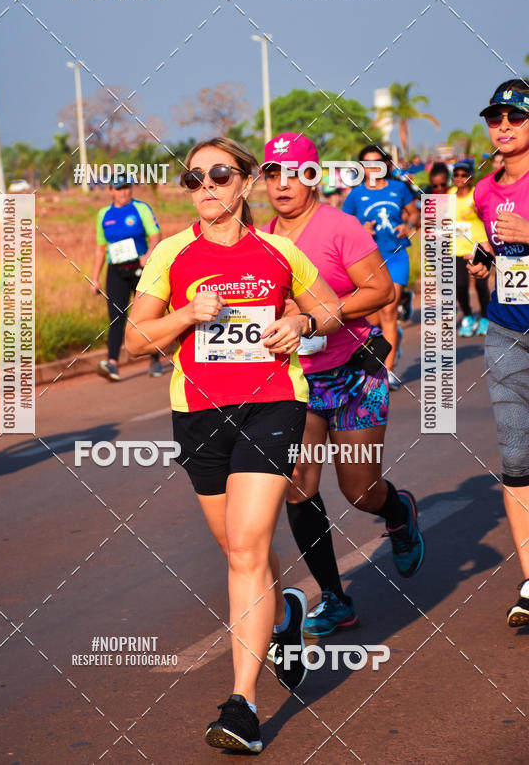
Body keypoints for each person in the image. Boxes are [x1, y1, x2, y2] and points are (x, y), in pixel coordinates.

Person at [126, 137, 342, 753]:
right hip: (198, 412)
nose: (206, 188)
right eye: (194, 179)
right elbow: (137, 341)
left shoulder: (278, 251)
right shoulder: (172, 252)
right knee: (235, 548)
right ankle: (285, 618)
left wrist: (300, 322)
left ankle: (243, 705)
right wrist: (189, 314)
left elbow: (327, 306)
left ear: (245, 183)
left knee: (247, 547)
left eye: (219, 175)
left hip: (272, 402)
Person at [261, 132, 425, 639]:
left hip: (355, 370)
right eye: (272, 173)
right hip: (300, 380)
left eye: (294, 172)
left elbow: (383, 289)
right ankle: (335, 597)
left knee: (359, 491)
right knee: (297, 487)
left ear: (313, 176)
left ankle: (396, 511)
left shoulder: (340, 227)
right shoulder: (261, 239)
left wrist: (317, 312)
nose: (283, 183)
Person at [468, 80, 529, 627]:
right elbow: (495, 244)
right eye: (496, 119)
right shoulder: (484, 191)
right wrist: (485, 260)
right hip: (506, 330)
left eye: (515, 117)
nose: (504, 126)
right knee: (515, 458)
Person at [343, 145, 419, 390]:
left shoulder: (399, 189)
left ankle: (387, 372)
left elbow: (413, 214)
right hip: (368, 261)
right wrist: (359, 230)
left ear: (386, 165)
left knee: (389, 312)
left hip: (396, 257)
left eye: (377, 162)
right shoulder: (355, 195)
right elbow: (344, 226)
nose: (372, 168)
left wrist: (408, 226)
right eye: (367, 163)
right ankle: (381, 357)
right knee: (372, 319)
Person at [91, 175, 162, 380]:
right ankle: (112, 363)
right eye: (119, 188)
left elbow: (155, 234)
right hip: (116, 270)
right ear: (111, 190)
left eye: (127, 188)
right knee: (116, 317)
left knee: (147, 316)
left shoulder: (140, 208)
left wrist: (148, 255)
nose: (124, 192)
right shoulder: (104, 214)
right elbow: (100, 247)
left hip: (140, 270)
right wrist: (94, 278)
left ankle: (155, 360)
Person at [449, 161, 490, 337]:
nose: (459, 178)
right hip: (457, 247)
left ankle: (484, 317)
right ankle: (467, 316)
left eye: (463, 175)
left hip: (479, 245)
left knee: (481, 285)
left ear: (471, 177)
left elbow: (489, 216)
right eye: (456, 174)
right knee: (460, 285)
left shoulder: (477, 195)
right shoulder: (449, 195)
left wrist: (480, 212)